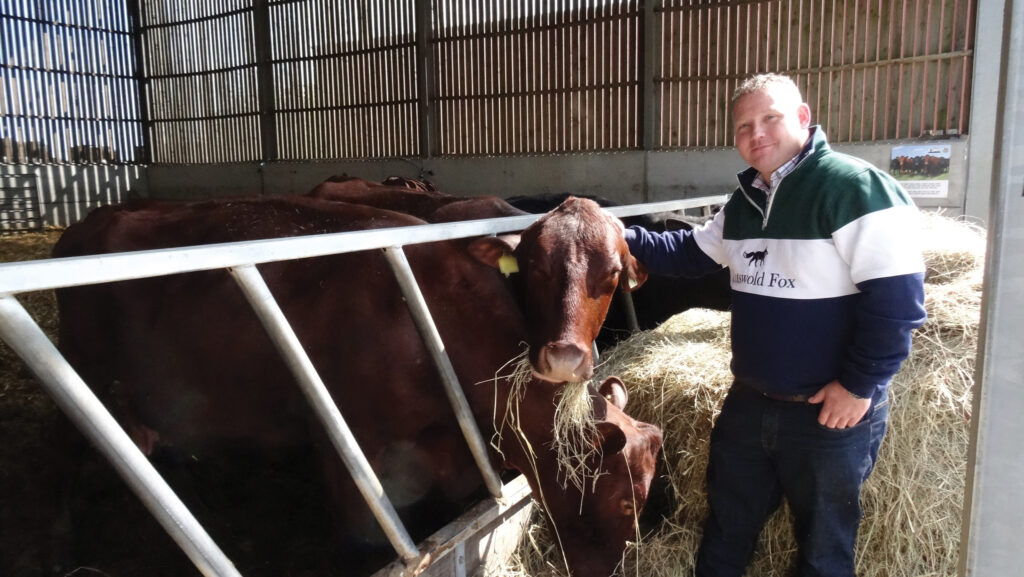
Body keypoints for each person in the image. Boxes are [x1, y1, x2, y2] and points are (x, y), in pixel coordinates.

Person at [623, 73, 927, 577]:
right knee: (726, 527)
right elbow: (688, 253)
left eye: (770, 119)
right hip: (749, 405)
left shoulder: (855, 188)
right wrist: (611, 232)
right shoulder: (745, 202)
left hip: (827, 414)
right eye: (743, 127)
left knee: (823, 546)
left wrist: (858, 385)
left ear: (803, 119)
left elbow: (897, 303)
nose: (756, 134)